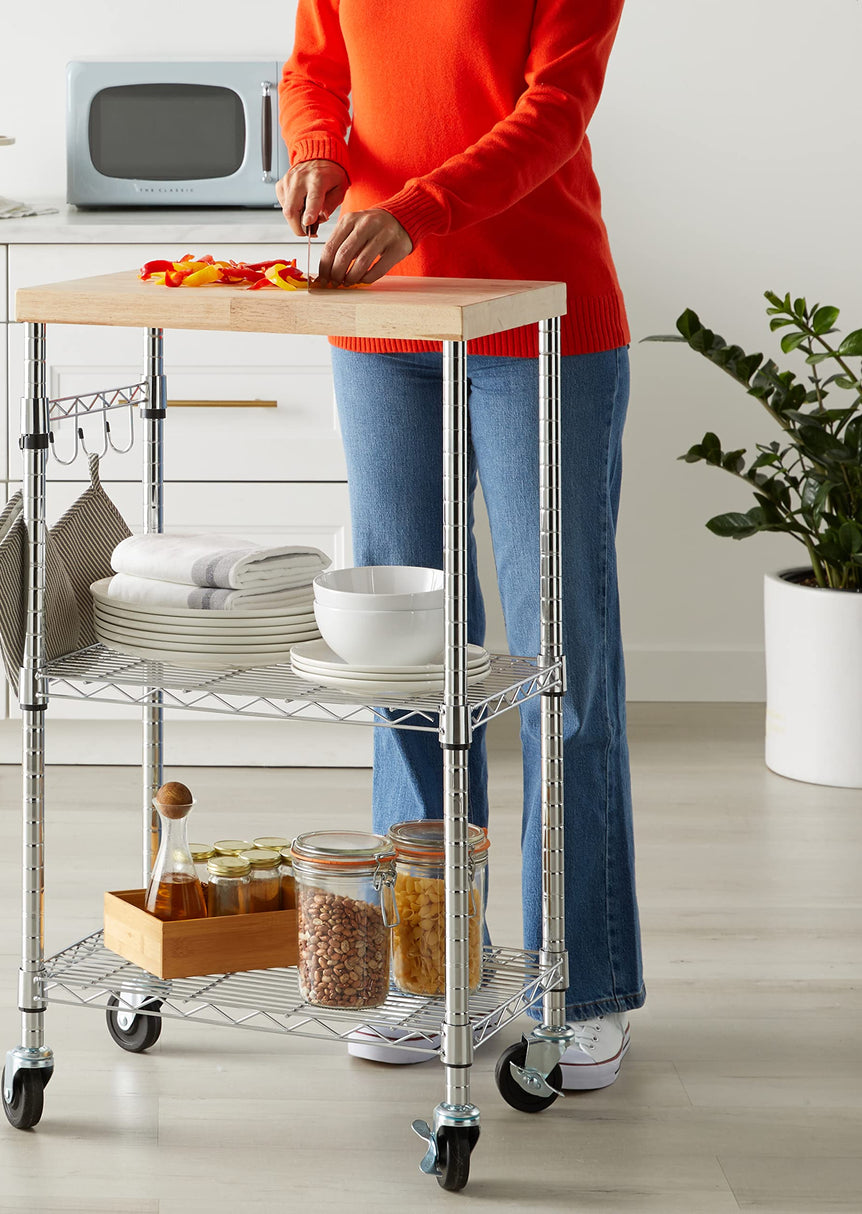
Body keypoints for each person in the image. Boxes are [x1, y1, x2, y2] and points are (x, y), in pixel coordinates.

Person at [277, 0, 644, 1089]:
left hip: (541, 320)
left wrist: (417, 208)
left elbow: (553, 113)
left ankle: (577, 984)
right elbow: (312, 71)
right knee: (406, 656)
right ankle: (431, 971)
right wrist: (313, 153)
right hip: (380, 319)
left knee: (556, 666)